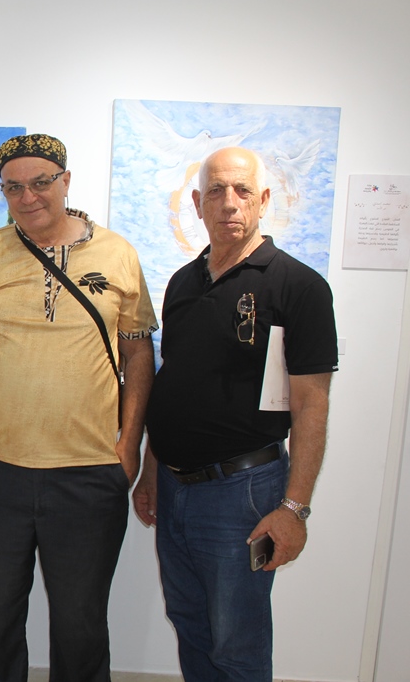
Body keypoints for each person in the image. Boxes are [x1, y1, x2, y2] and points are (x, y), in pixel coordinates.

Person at [0, 133, 158, 682]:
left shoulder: (117, 254)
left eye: (41, 183)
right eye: (13, 187)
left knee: (81, 621)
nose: (27, 197)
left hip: (88, 471)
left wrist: (129, 443)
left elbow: (139, 353)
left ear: (65, 181)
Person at [133, 146, 337, 681]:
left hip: (243, 494)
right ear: (197, 203)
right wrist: (152, 469)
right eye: (217, 191)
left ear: (263, 200)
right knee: (189, 622)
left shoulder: (299, 287)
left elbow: (312, 404)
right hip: (174, 486)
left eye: (243, 190)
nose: (229, 203)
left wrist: (294, 508)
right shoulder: (183, 283)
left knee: (237, 642)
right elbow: (173, 384)